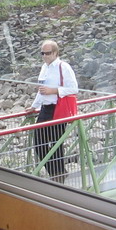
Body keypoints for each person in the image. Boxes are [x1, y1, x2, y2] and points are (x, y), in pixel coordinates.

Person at [30, 39, 78, 183]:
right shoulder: (44, 68)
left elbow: (74, 89)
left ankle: (58, 176)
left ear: (56, 53)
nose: (45, 56)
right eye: (42, 53)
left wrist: (54, 90)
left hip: (58, 108)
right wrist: (33, 106)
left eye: (48, 53)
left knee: (56, 144)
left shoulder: (64, 67)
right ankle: (58, 173)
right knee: (39, 143)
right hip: (45, 108)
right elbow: (41, 90)